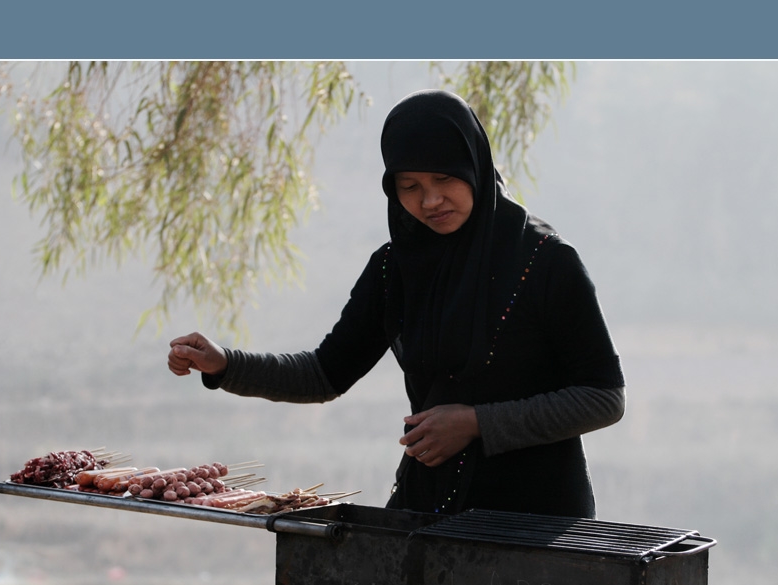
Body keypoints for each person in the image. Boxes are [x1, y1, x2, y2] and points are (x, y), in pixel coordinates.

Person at [168, 89, 625, 519]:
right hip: (427, 514)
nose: (429, 200)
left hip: (537, 527)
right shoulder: (395, 268)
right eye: (409, 186)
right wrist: (225, 364)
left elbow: (603, 397)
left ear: (475, 167)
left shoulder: (544, 262)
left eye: (444, 179)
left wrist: (477, 423)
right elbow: (324, 372)